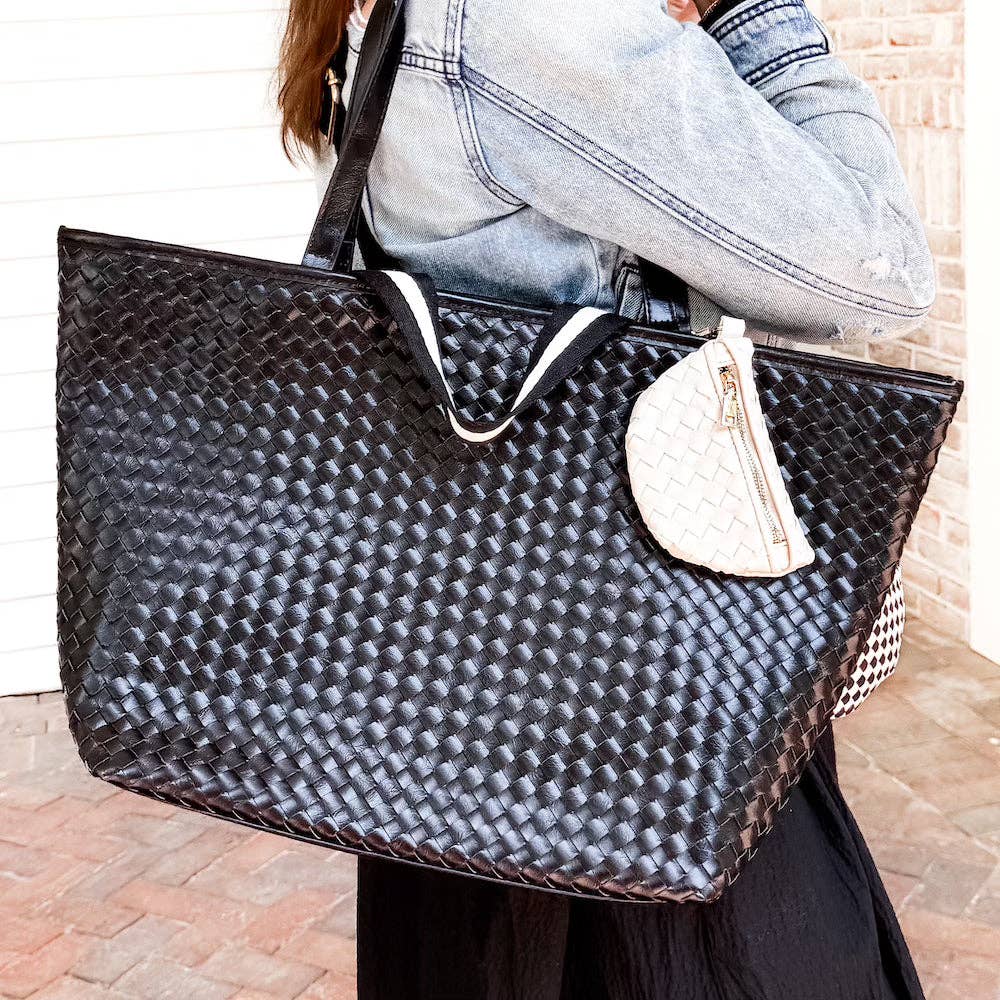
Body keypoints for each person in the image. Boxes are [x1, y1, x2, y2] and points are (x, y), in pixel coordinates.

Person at [277, 1, 932, 996]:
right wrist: (756, 16)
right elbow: (874, 265)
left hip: (459, 711)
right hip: (638, 715)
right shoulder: (524, 22)